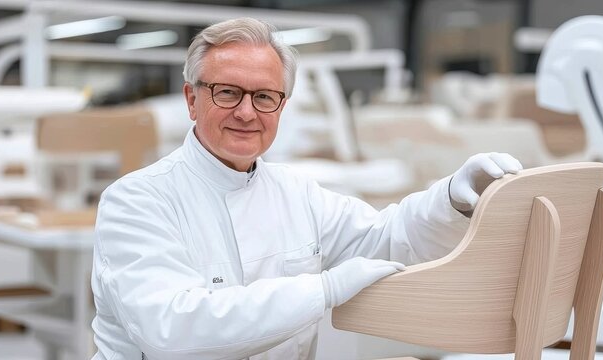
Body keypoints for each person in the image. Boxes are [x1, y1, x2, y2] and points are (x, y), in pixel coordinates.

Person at [90, 17, 522, 360]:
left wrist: (449, 197)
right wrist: (324, 289)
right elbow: (173, 331)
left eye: (264, 97)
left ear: (281, 106)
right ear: (190, 99)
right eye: (227, 93)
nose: (246, 112)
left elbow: (385, 239)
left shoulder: (297, 193)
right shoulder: (136, 201)